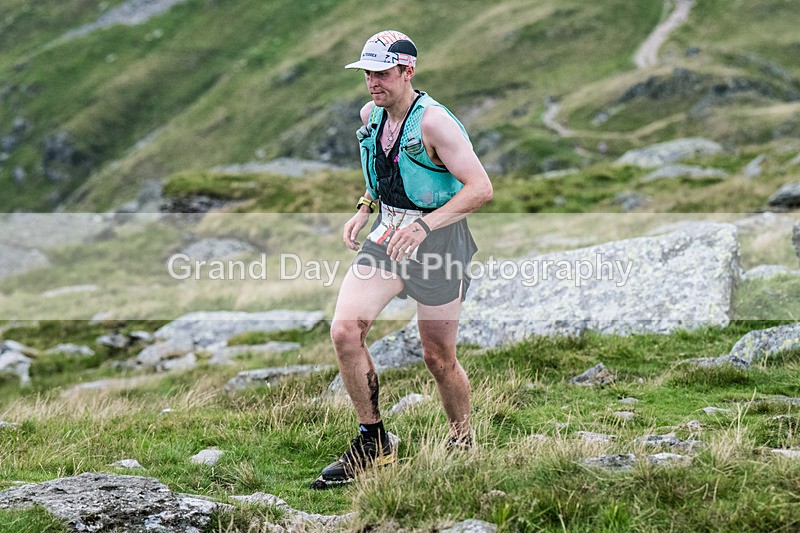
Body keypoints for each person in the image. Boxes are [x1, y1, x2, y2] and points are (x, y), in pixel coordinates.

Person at [310, 30, 493, 490]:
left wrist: (426, 226)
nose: (373, 82)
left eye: (382, 73)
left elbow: (481, 189)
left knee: (438, 357)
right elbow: (382, 167)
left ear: (407, 71)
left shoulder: (435, 123)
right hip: (389, 232)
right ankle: (374, 444)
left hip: (438, 242)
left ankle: (463, 441)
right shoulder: (370, 114)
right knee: (345, 330)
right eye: (367, 73)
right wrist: (364, 206)